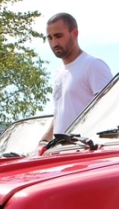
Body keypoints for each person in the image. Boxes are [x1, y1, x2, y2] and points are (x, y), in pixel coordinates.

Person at [41, 12, 112, 143]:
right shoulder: (58, 73)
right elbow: (59, 114)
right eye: (50, 38)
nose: (54, 43)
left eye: (58, 36)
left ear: (74, 33)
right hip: (61, 150)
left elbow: (108, 109)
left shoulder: (93, 65)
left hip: (86, 149)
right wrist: (45, 139)